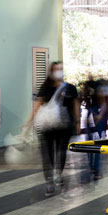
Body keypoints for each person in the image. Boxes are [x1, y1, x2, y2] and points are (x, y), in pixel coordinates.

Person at [25, 61, 80, 196]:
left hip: (64, 126)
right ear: (51, 72)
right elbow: (37, 106)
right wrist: (28, 123)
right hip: (47, 126)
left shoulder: (70, 88)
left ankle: (58, 174)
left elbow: (75, 105)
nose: (59, 71)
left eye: (61, 69)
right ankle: (49, 182)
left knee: (61, 152)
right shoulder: (46, 88)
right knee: (47, 154)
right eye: (56, 69)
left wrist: (78, 122)